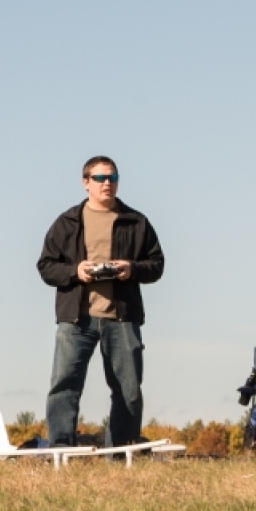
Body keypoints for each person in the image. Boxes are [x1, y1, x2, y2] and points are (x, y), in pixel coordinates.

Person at [36, 156, 165, 447]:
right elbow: (45, 266)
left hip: (122, 319)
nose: (107, 183)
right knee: (64, 386)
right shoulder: (68, 222)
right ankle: (61, 450)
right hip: (75, 319)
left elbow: (157, 264)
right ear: (86, 183)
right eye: (100, 178)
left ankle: (120, 452)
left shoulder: (136, 222)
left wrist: (131, 269)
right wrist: (75, 271)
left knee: (128, 390)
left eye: (112, 177)